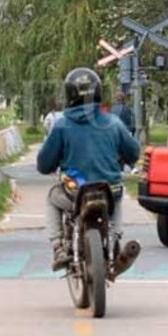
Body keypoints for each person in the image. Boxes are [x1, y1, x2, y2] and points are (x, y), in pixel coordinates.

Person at [37, 68, 142, 273]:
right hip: (108, 191)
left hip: (75, 193)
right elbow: (133, 153)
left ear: (70, 95)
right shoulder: (113, 123)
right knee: (118, 194)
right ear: (98, 92)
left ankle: (58, 246)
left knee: (51, 197)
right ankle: (114, 237)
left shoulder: (62, 126)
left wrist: (52, 163)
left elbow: (44, 164)